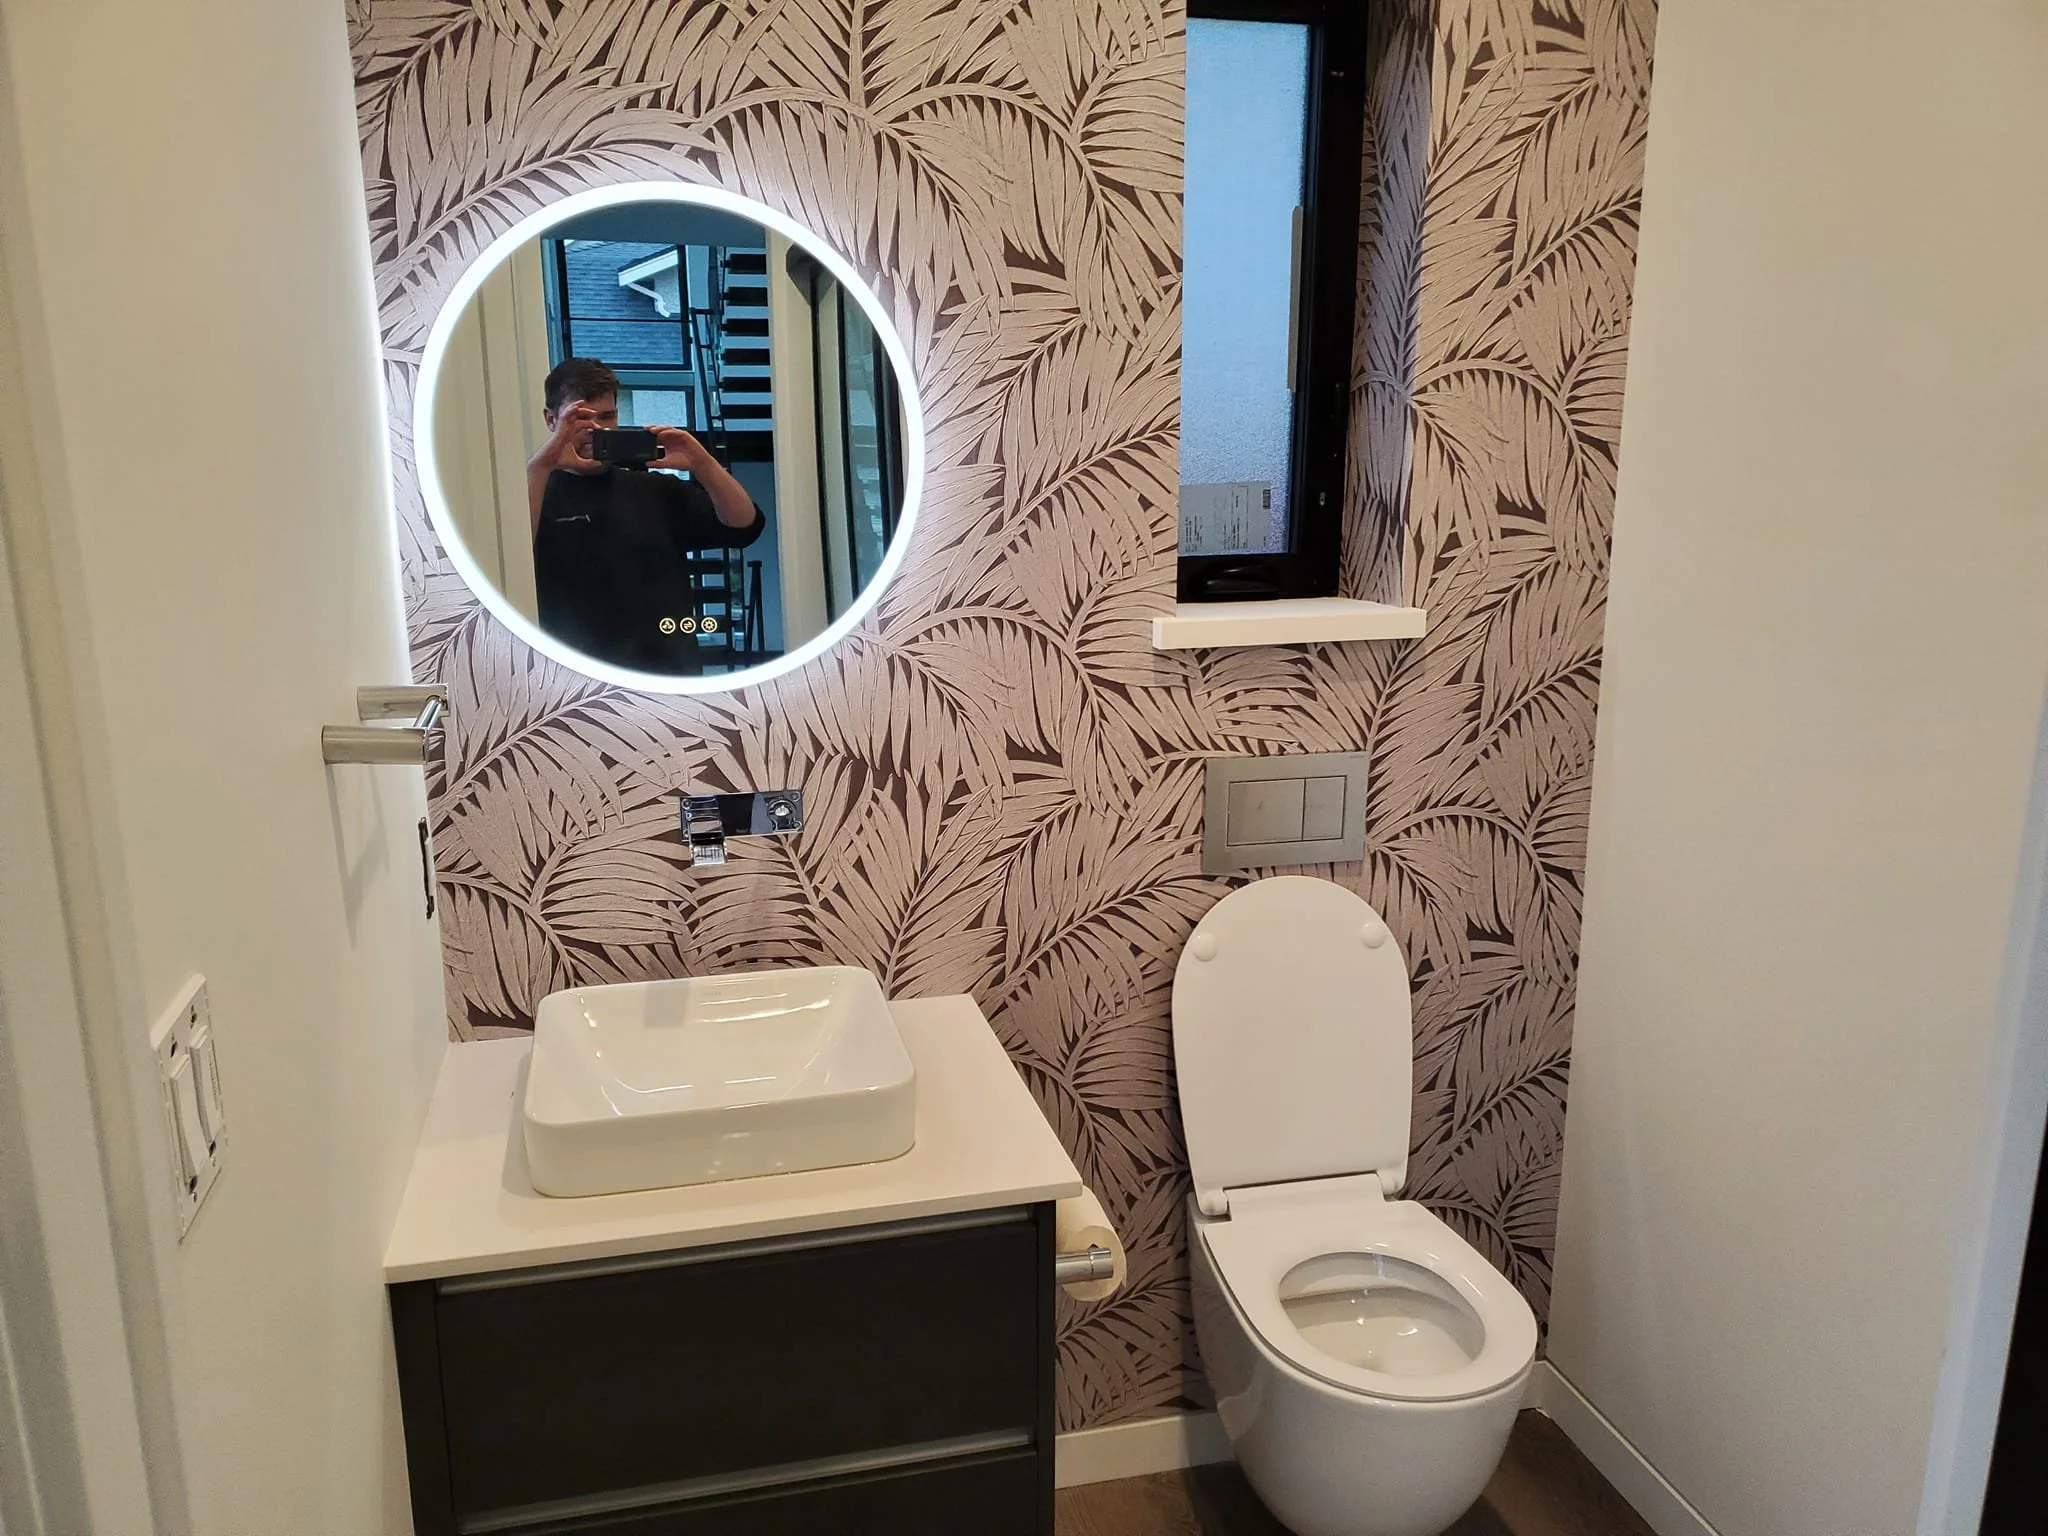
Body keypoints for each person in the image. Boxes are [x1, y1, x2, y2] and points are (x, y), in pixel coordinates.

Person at [526, 357, 765, 672]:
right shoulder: (536, 494)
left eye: (607, 416)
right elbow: (510, 559)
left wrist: (702, 463)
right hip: (576, 685)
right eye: (580, 418)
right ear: (551, 420)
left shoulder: (653, 490)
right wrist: (542, 465)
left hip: (671, 677)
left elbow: (745, 526)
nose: (596, 429)